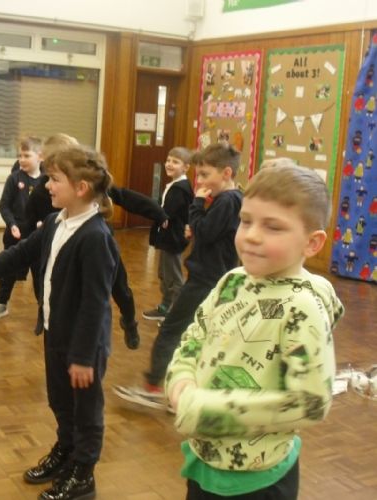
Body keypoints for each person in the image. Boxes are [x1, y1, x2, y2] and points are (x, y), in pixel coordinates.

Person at [165, 162, 344, 500]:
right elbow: (195, 335)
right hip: (205, 460)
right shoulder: (232, 281)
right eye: (246, 221)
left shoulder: (303, 307)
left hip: (258, 481)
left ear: (312, 243)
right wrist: (181, 379)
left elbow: (311, 402)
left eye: (273, 227)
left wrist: (207, 410)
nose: (251, 235)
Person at [0, 145, 119, 500]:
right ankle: (66, 451)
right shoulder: (57, 222)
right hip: (54, 332)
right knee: (60, 401)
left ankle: (83, 473)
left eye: (54, 179)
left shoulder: (95, 237)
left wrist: (83, 356)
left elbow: (95, 303)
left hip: (84, 346)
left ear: (81, 188)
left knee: (86, 411)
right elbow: (23, 251)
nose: (46, 185)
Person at [114, 143, 243, 408]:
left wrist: (197, 207)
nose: (200, 181)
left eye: (205, 174)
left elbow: (205, 231)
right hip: (212, 277)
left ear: (226, 173)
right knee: (197, 336)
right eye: (198, 175)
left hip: (206, 280)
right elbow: (210, 232)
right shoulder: (231, 199)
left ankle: (154, 387)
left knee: (171, 330)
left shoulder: (227, 201)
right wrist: (198, 225)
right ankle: (185, 390)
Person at [24, 134, 168, 349]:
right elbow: (28, 228)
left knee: (120, 288)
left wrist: (159, 213)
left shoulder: (90, 185)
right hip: (61, 252)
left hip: (96, 246)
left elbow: (127, 198)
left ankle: (129, 321)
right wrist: (36, 229)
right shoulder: (42, 192)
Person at [0, 136, 43, 320]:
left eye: (27, 155)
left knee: (39, 273)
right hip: (15, 234)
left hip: (38, 236)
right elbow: (4, 206)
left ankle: (44, 308)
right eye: (20, 155)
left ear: (40, 156)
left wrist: (43, 221)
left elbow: (51, 207)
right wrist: (12, 224)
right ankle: (1, 304)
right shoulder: (14, 178)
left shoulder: (46, 181)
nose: (22, 159)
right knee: (8, 269)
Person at [143, 147, 194, 321]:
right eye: (168, 160)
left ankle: (177, 315)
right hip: (167, 238)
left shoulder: (180, 188)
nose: (169, 164)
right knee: (164, 274)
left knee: (173, 277)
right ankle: (166, 307)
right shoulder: (174, 185)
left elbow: (169, 212)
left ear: (186, 167)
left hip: (173, 239)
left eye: (175, 162)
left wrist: (162, 215)